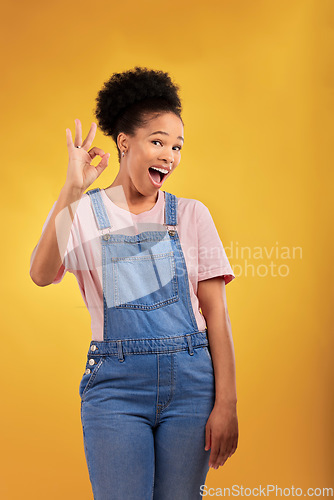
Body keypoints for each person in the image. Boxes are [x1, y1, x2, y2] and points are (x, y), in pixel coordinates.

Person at [30, 66, 238, 500]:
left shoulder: (192, 215)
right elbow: (42, 273)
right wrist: (70, 189)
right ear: (125, 143)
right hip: (116, 387)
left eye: (177, 146)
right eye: (158, 141)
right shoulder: (83, 211)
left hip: (192, 384)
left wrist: (227, 403)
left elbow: (216, 312)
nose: (170, 155)